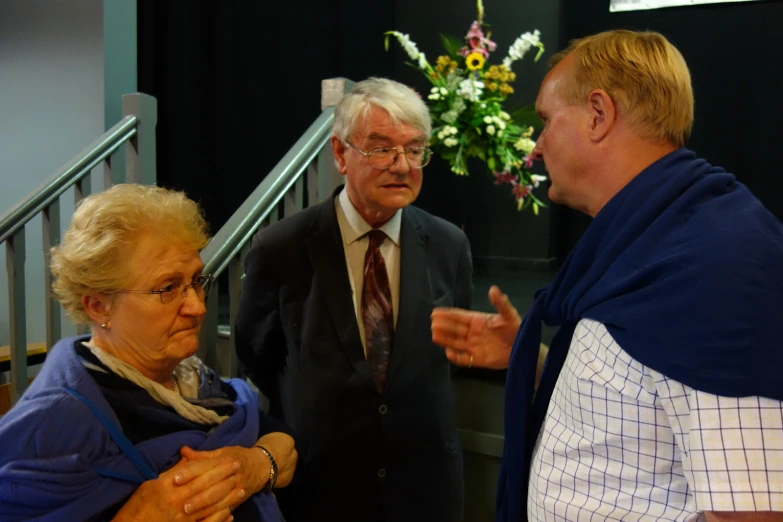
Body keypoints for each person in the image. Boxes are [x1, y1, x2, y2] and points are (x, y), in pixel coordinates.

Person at [431, 30, 783, 522]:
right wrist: (528, 360)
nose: (536, 145)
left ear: (598, 114)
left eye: (548, 121)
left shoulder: (721, 264)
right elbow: (637, 403)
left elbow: (753, 514)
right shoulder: (649, 239)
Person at [235, 77, 473, 522]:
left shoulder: (449, 243)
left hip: (423, 490)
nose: (402, 165)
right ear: (341, 154)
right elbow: (256, 355)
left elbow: (451, 358)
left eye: (415, 149)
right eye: (382, 149)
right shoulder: (281, 248)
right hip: (319, 487)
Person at [0, 184, 298, 521]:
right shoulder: (56, 422)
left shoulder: (194, 380)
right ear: (99, 307)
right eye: (168, 288)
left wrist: (257, 464)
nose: (197, 307)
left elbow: (282, 439)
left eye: (197, 280)